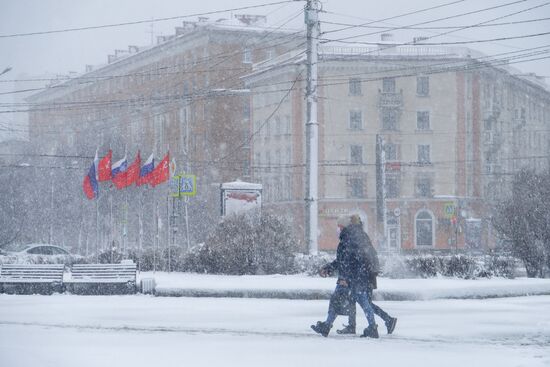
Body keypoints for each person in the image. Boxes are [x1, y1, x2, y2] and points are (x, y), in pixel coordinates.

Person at [311, 214, 379, 338]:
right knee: (361, 302)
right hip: (354, 277)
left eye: (339, 226)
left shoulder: (348, 239)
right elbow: (342, 260)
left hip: (350, 278)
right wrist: (328, 268)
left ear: (343, 227)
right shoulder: (348, 238)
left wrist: (346, 279)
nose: (337, 229)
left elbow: (350, 261)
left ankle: (327, 326)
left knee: (343, 301)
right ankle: (372, 327)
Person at [335, 214, 397, 336]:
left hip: (364, 274)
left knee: (365, 302)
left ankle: (387, 320)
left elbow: (360, 256)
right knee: (355, 299)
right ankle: (352, 326)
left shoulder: (356, 235)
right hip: (367, 273)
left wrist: (360, 272)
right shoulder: (361, 234)